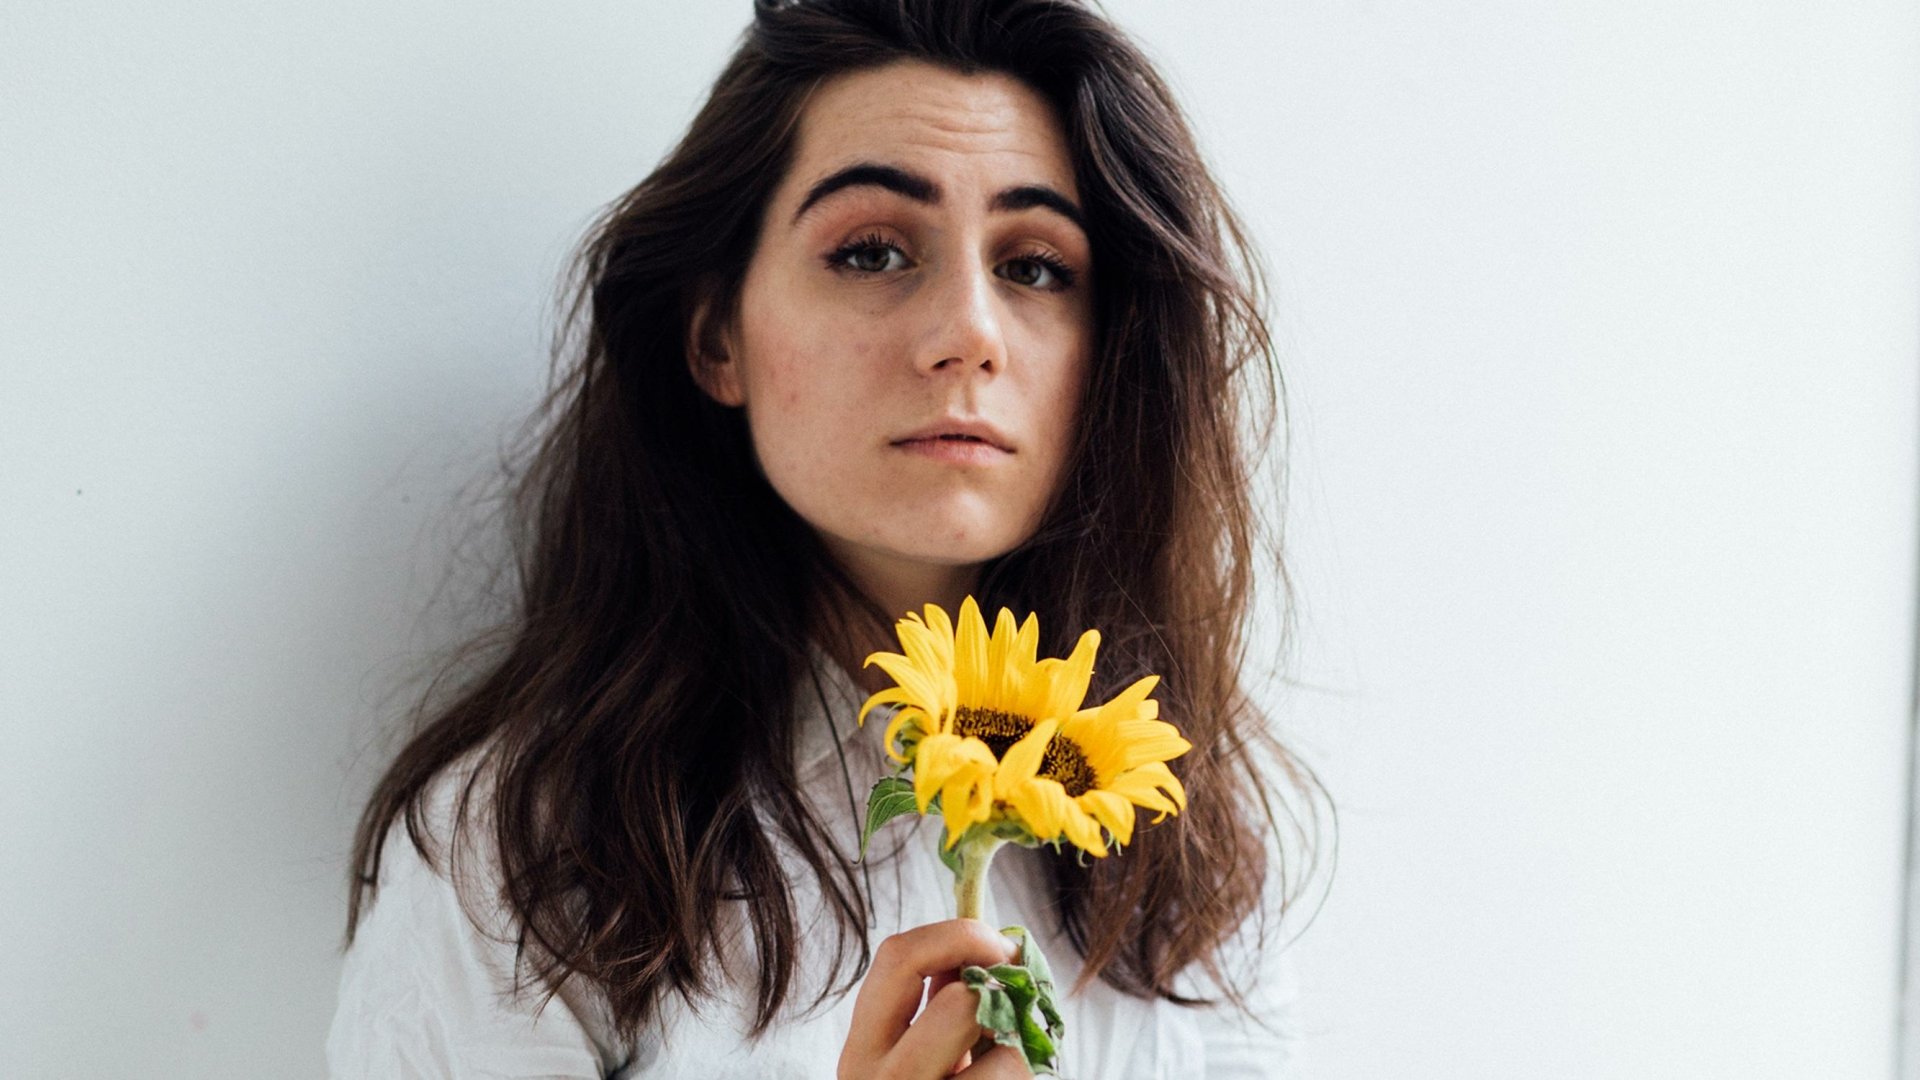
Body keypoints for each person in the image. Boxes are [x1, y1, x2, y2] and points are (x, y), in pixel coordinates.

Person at [327, 1, 1328, 1076]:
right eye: (872, 252)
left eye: (1035, 267)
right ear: (717, 335)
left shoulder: (1189, 849)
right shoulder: (525, 860)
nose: (969, 336)